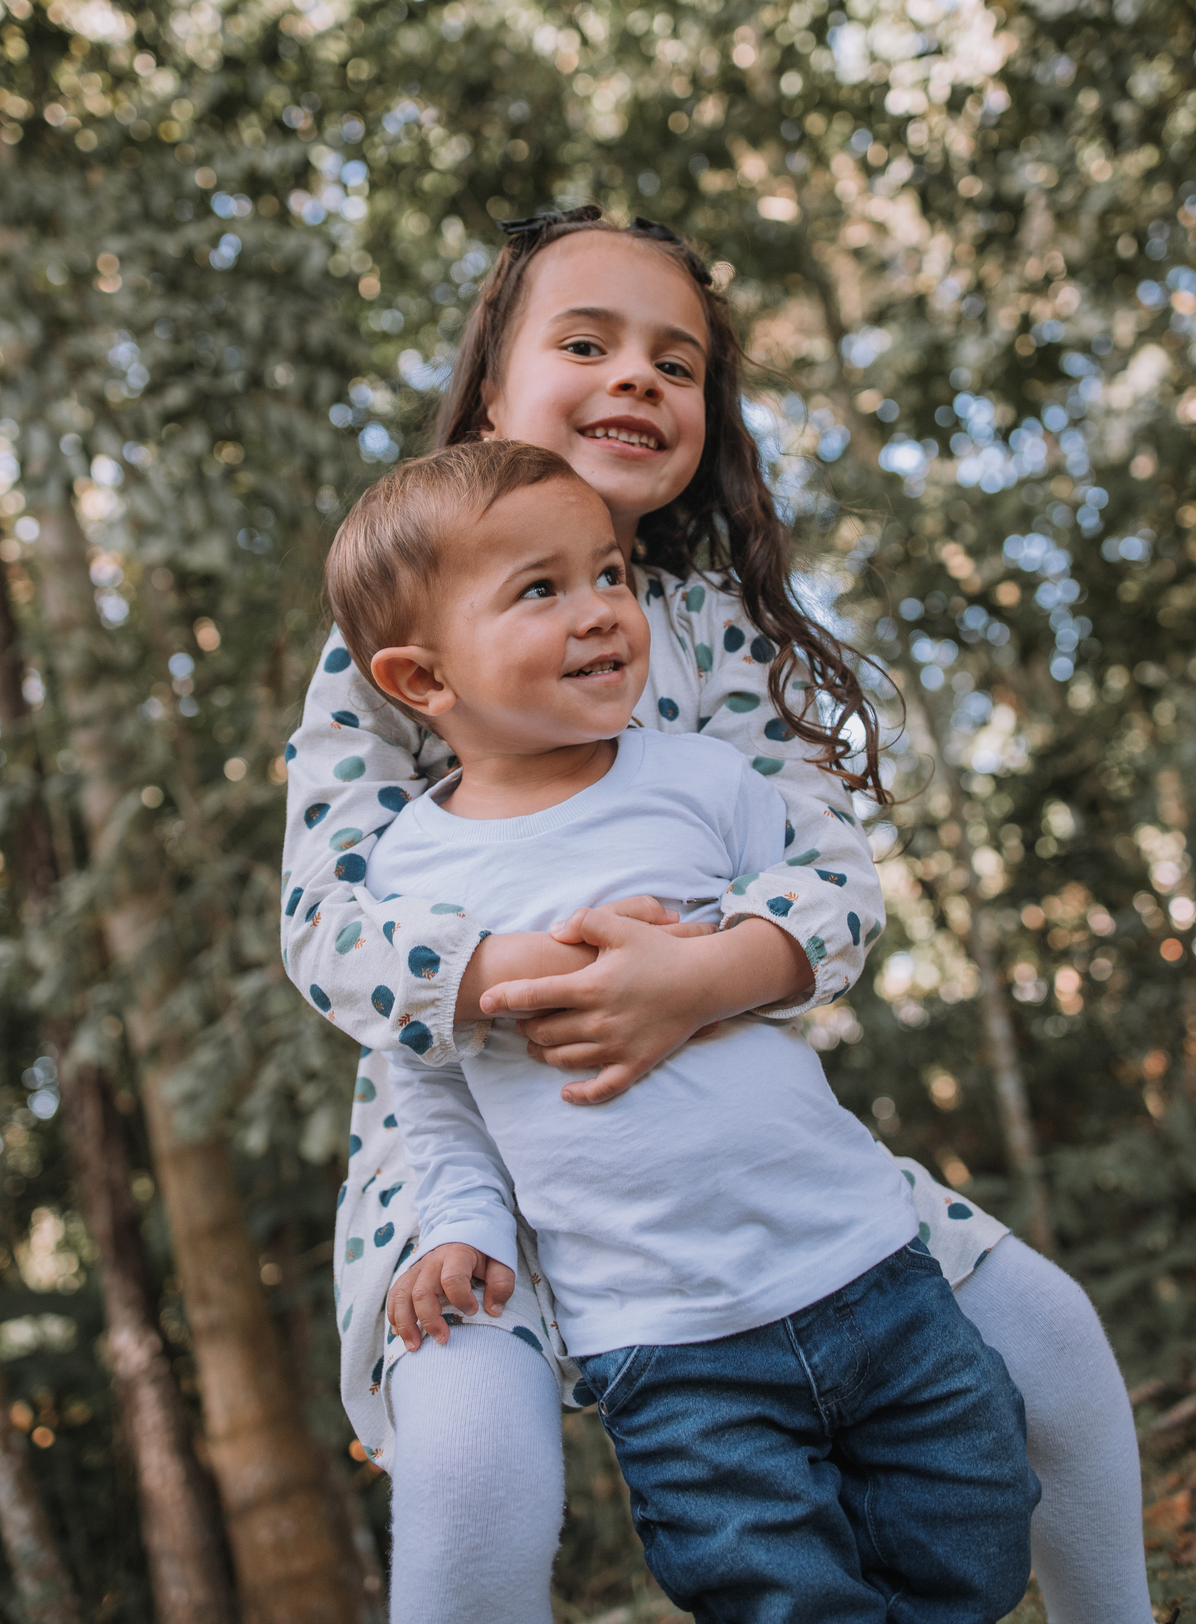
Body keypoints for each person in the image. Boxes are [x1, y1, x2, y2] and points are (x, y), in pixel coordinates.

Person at [281, 208, 1151, 1624]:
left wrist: (699, 979)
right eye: (586, 344)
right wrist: (504, 972)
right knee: (475, 1467)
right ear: (491, 393)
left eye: (675, 362)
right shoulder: (397, 634)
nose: (637, 375)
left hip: (740, 1154)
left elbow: (829, 878)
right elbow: (323, 921)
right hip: (466, 1159)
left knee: (1047, 1333)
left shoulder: (716, 631)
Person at [328, 433, 1041, 1623]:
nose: (602, 609)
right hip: (665, 1341)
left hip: (865, 1262)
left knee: (979, 1524)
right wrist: (459, 1227)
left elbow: (819, 907)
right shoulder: (408, 875)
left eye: (608, 574)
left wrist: (709, 969)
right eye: (541, 590)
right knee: (776, 1591)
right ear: (422, 680)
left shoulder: (699, 780)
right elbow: (433, 1085)